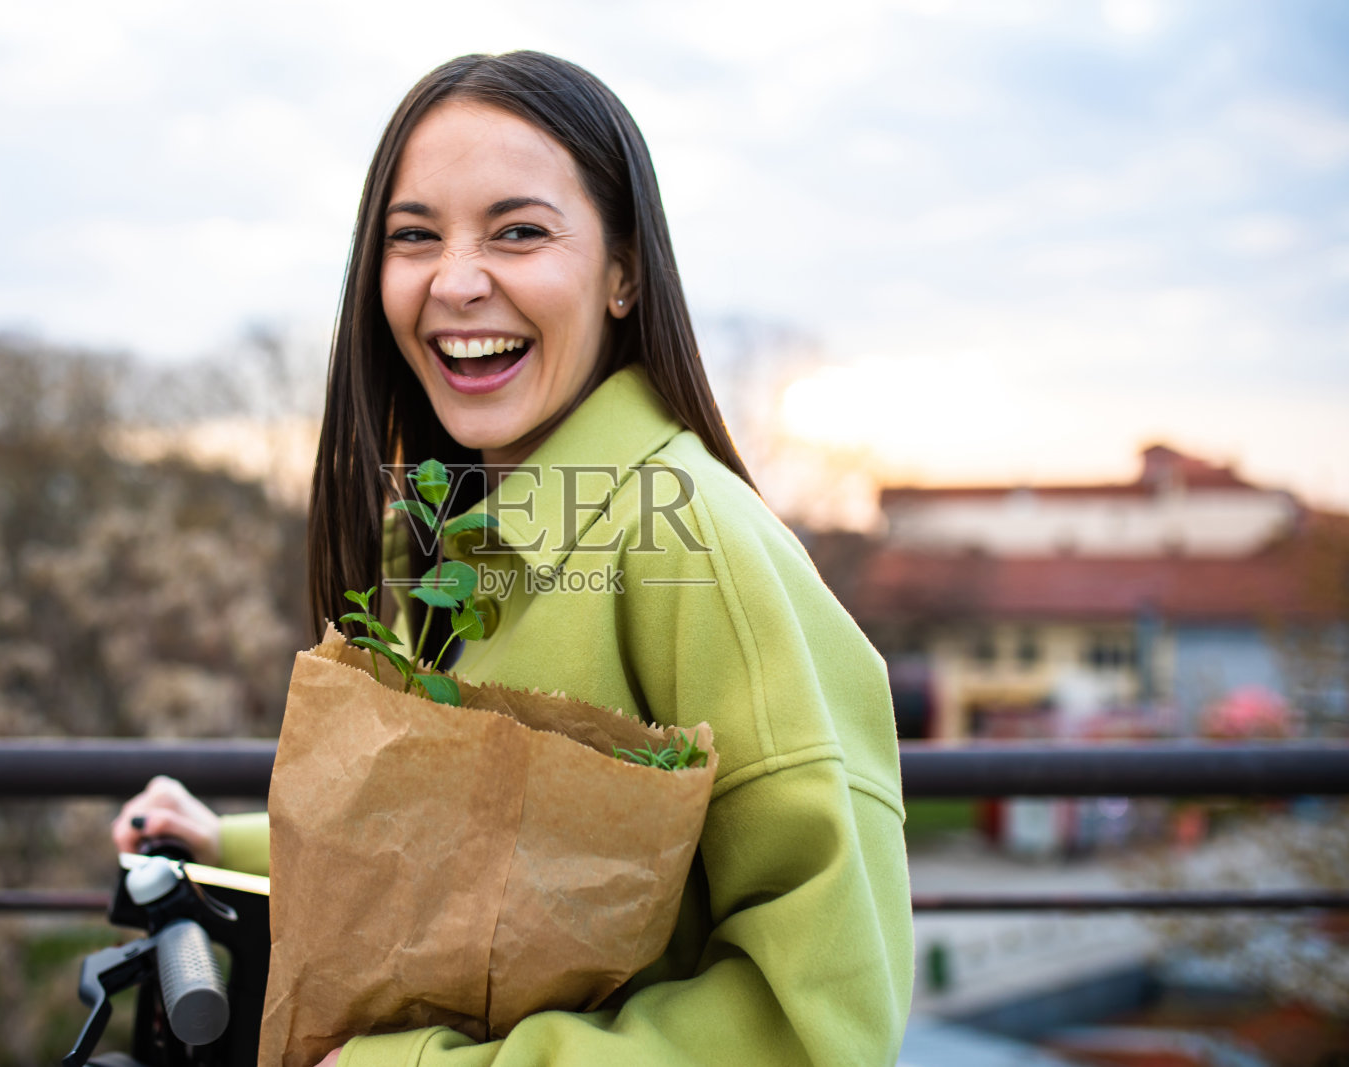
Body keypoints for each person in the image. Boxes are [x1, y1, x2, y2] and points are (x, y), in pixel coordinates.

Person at [113, 51, 913, 1066]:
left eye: (518, 231)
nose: (455, 280)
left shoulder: (692, 541)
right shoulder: (443, 534)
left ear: (624, 270)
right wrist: (218, 844)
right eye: (413, 237)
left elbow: (820, 1028)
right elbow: (458, 848)